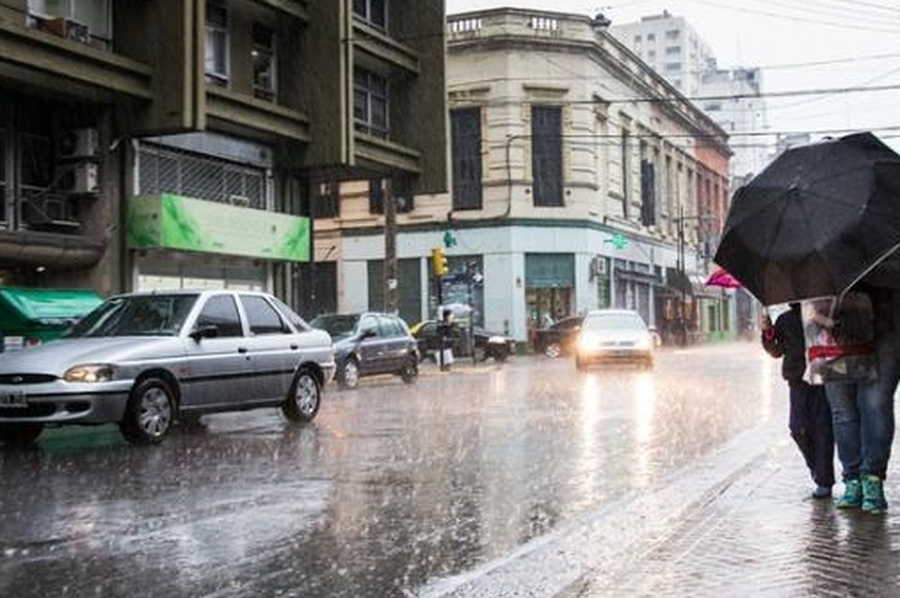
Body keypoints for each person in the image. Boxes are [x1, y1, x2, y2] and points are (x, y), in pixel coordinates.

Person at [819, 285, 900, 513]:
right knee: (843, 411)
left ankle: (872, 477)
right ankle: (852, 478)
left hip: (886, 324)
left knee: (875, 404)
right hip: (833, 327)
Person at [761, 302, 835, 499]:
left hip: (823, 379)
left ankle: (823, 479)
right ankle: (818, 469)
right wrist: (768, 332)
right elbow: (776, 351)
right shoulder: (785, 319)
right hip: (797, 381)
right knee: (797, 428)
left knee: (823, 429)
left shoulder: (825, 314)